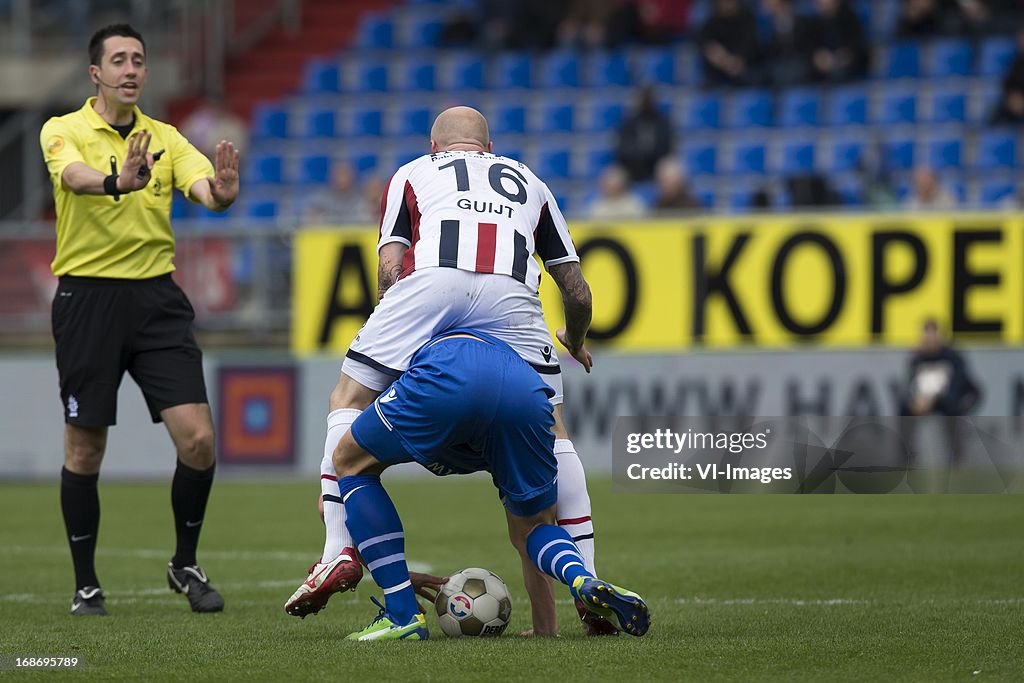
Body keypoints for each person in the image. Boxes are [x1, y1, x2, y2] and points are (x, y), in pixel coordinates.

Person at [284, 106, 613, 636]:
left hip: (434, 283)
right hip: (513, 299)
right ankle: (588, 581)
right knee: (553, 433)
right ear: (488, 147)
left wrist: (400, 341)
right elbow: (576, 289)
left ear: (436, 147)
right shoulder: (531, 181)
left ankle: (338, 549)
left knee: (346, 402)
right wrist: (574, 340)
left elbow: (392, 266)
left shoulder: (413, 172)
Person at [39, 24, 240, 616]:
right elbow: (73, 176)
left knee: (199, 439)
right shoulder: (64, 130)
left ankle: (184, 564)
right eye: (119, 60)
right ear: (95, 73)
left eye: (139, 60)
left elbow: (207, 189)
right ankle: (86, 585)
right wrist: (115, 182)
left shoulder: (167, 138)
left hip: (156, 302)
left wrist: (224, 192)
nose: (131, 69)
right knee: (85, 450)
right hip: (87, 301)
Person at [333, 328, 651, 640]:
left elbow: (346, 501)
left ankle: (402, 615)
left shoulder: (402, 324)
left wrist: (390, 575)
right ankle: (580, 579)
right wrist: (544, 629)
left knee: (349, 462)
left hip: (448, 370)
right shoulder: (513, 324)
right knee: (531, 530)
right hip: (523, 388)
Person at [614, 86, 674, 183]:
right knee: (615, 174)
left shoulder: (662, 123)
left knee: (669, 167)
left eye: (649, 99)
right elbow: (622, 148)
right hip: (632, 167)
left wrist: (648, 153)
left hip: (656, 166)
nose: (646, 102)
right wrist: (640, 154)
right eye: (643, 99)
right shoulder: (629, 123)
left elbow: (667, 148)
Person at [698, 0, 759, 87]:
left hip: (745, 68)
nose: (726, 4)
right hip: (717, 70)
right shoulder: (712, 21)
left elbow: (750, 45)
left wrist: (734, 61)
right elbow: (705, 43)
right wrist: (723, 60)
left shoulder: (747, 19)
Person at [806, 0, 869, 84]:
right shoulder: (813, 23)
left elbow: (857, 46)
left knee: (838, 74)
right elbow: (811, 48)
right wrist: (819, 58)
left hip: (848, 65)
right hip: (823, 67)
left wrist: (845, 56)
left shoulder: (849, 18)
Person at [303, 160, 370, 225]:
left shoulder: (362, 197)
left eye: (345, 174)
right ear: (331, 176)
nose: (342, 178)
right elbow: (310, 218)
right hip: (327, 234)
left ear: (353, 176)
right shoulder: (320, 196)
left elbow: (366, 220)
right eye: (339, 174)